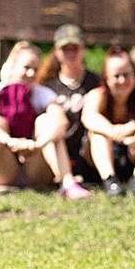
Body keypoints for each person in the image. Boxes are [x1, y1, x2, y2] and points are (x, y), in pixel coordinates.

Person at [0, 41, 91, 199]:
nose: (31, 74)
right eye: (27, 68)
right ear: (13, 66)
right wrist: (10, 141)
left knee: (46, 121)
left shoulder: (42, 93)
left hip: (35, 166)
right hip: (3, 169)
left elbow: (62, 122)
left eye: (35, 69)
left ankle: (67, 183)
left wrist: (37, 144)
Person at [79, 47, 135, 197]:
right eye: (116, 76)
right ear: (106, 78)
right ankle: (110, 181)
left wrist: (132, 126)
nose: (122, 81)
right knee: (97, 133)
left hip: (133, 157)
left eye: (127, 75)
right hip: (103, 159)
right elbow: (88, 117)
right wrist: (115, 132)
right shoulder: (98, 95)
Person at [37, 24, 100, 181]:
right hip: (57, 146)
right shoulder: (46, 84)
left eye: (75, 48)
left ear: (83, 49)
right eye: (66, 49)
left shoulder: (95, 82)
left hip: (86, 149)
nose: (71, 53)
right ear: (57, 52)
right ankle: (64, 177)